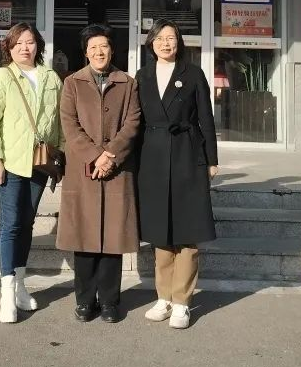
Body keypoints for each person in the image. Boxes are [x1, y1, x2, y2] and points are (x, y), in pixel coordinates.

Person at [135, 19, 218, 330]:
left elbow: (206, 118)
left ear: (179, 42)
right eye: (160, 38)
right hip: (152, 158)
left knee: (186, 231)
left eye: (171, 38)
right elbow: (135, 122)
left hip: (187, 154)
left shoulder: (193, 74)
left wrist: (211, 160)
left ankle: (182, 301)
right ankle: (163, 297)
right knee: (160, 231)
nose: (165, 43)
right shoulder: (142, 76)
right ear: (151, 43)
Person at [56, 24, 141, 324]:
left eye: (103, 46)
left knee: (112, 239)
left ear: (112, 50)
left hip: (116, 170)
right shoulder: (72, 83)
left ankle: (109, 301)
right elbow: (69, 124)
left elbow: (133, 123)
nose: (99, 52)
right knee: (85, 238)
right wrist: (95, 155)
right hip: (84, 170)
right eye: (93, 47)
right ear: (86, 52)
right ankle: (84, 300)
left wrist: (110, 155)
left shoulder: (127, 83)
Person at [0, 22, 64, 324]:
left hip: (39, 162)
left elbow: (60, 120)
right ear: (9, 47)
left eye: (29, 42)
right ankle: (7, 293)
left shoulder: (51, 77)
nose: (24, 48)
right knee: (11, 223)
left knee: (27, 223)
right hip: (11, 162)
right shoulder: (2, 77)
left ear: (38, 45)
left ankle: (20, 286)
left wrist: (61, 153)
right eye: (18, 44)